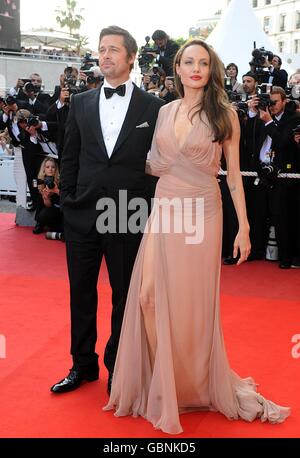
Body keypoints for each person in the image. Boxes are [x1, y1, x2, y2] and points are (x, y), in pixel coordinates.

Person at [104, 39, 290, 434]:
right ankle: (166, 381)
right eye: (188, 61)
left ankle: (189, 385)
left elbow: (235, 176)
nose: (195, 68)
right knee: (149, 297)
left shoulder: (224, 115)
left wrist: (244, 227)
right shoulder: (164, 111)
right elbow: (154, 164)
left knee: (191, 306)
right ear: (178, 68)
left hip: (202, 214)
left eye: (203, 62)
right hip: (165, 212)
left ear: (211, 70)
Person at [50, 26, 164, 394]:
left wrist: (144, 204)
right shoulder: (81, 102)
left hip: (127, 211)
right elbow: (70, 155)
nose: (106, 55)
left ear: (131, 57)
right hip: (82, 211)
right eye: (102, 49)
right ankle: (82, 365)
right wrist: (69, 199)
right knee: (80, 292)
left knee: (123, 296)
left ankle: (118, 367)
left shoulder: (153, 107)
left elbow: (157, 163)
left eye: (114, 49)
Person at [32, 157, 62, 236]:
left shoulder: (60, 181)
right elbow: (48, 205)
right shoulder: (41, 182)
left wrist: (56, 190)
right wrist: (45, 197)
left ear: (56, 169)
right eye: (47, 167)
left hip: (60, 209)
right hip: (50, 210)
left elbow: (65, 197)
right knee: (39, 198)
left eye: (53, 167)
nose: (50, 169)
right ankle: (40, 223)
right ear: (43, 169)